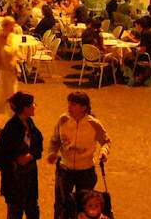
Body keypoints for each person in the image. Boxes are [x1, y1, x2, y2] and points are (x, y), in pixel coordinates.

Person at [48, 91, 111, 219]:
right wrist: (52, 152)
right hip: (65, 170)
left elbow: (106, 141)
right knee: (61, 205)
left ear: (83, 108)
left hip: (86, 171)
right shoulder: (63, 120)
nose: (69, 107)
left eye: (73, 104)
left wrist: (104, 152)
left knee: (84, 205)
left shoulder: (94, 124)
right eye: (69, 103)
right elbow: (55, 140)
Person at [0, 91, 43, 219]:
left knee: (32, 209)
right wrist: (12, 164)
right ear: (24, 108)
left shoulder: (29, 123)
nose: (35, 106)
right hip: (15, 180)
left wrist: (31, 156)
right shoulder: (12, 128)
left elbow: (38, 145)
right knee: (15, 212)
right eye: (32, 104)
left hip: (30, 175)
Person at [0, 17, 20, 126]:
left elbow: (16, 52)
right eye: (11, 25)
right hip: (3, 72)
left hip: (12, 72)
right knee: (1, 97)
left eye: (14, 25)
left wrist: (18, 61)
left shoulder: (15, 38)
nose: (13, 28)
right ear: (5, 26)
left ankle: (12, 122)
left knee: (13, 97)